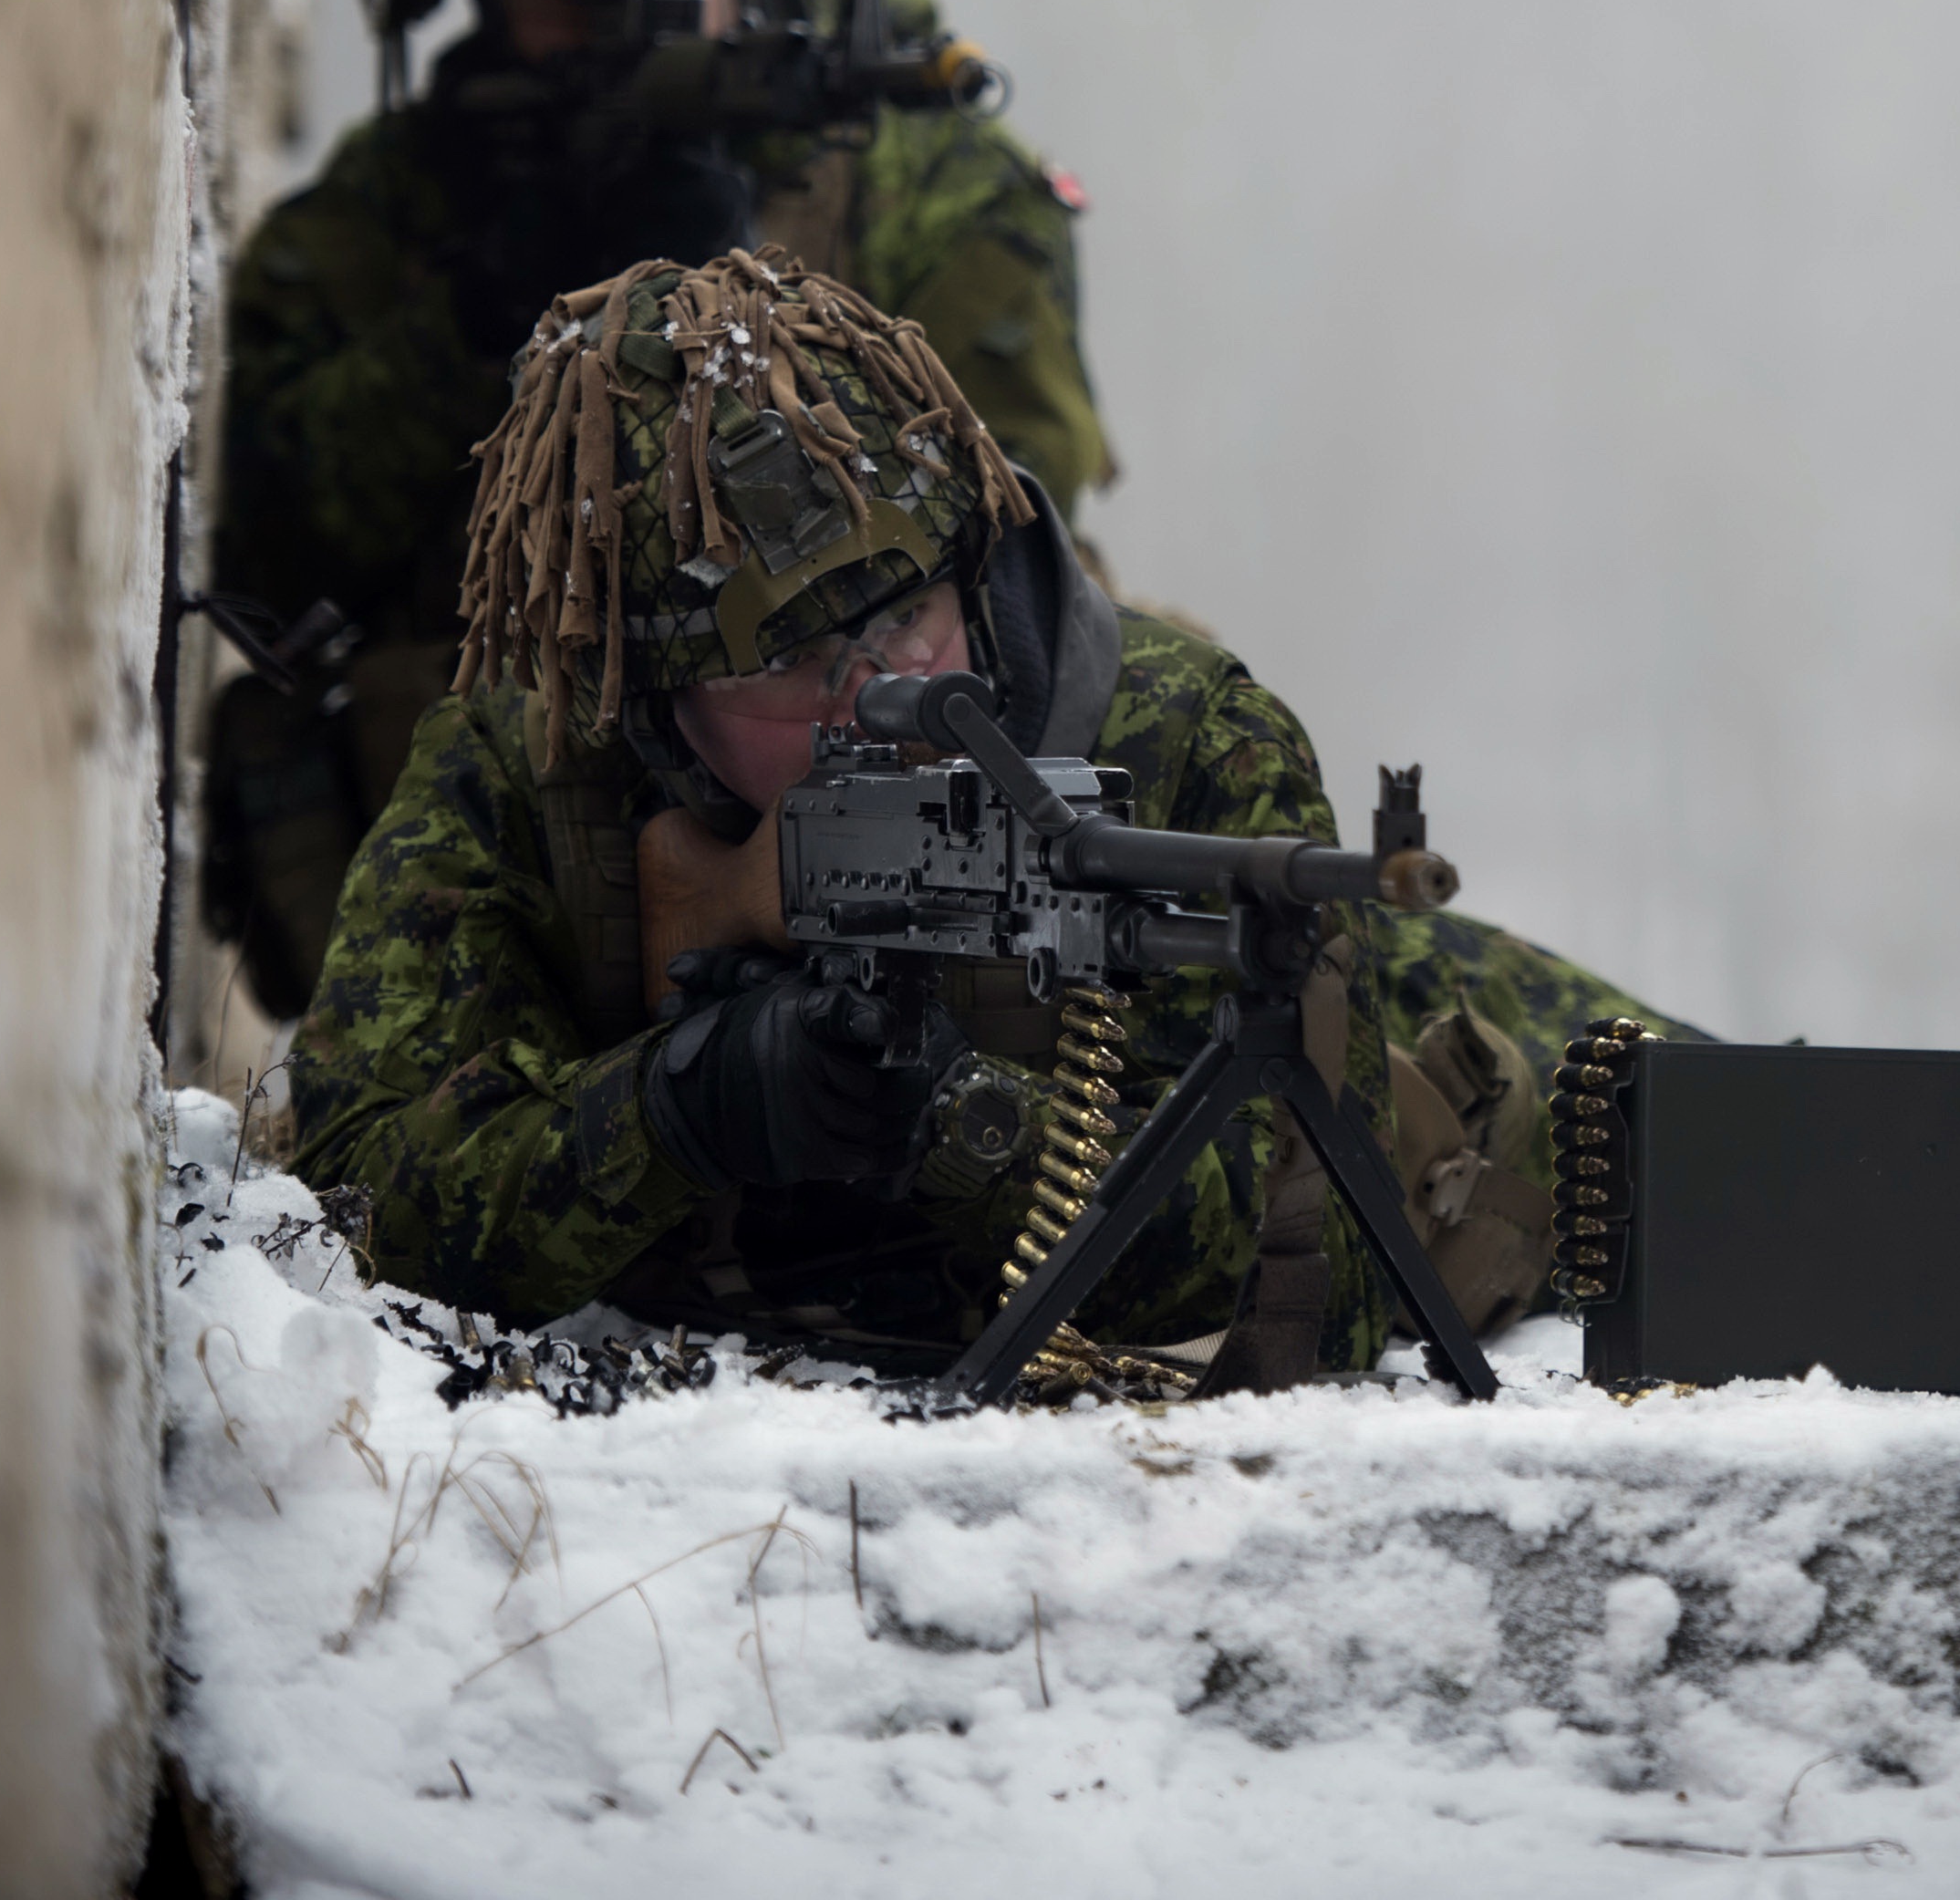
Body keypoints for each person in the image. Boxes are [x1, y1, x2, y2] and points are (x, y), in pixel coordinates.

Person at [289, 251, 1687, 1390]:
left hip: (1460, 1107)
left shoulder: (1187, 737)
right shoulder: (519, 776)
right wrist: (677, 1111)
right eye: (790, 666)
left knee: (1771, 1150)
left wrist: (952, 1113)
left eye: (906, 614)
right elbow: (351, 1207)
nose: (881, 694)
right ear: (649, 705)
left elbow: (1298, 1281)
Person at [202, 0, 1114, 1016]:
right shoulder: (398, 217)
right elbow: (266, 549)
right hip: (529, 884)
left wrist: (744, 300)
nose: (628, 16)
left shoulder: (909, 161)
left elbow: (1016, 522)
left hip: (870, 792)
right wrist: (490, 309)